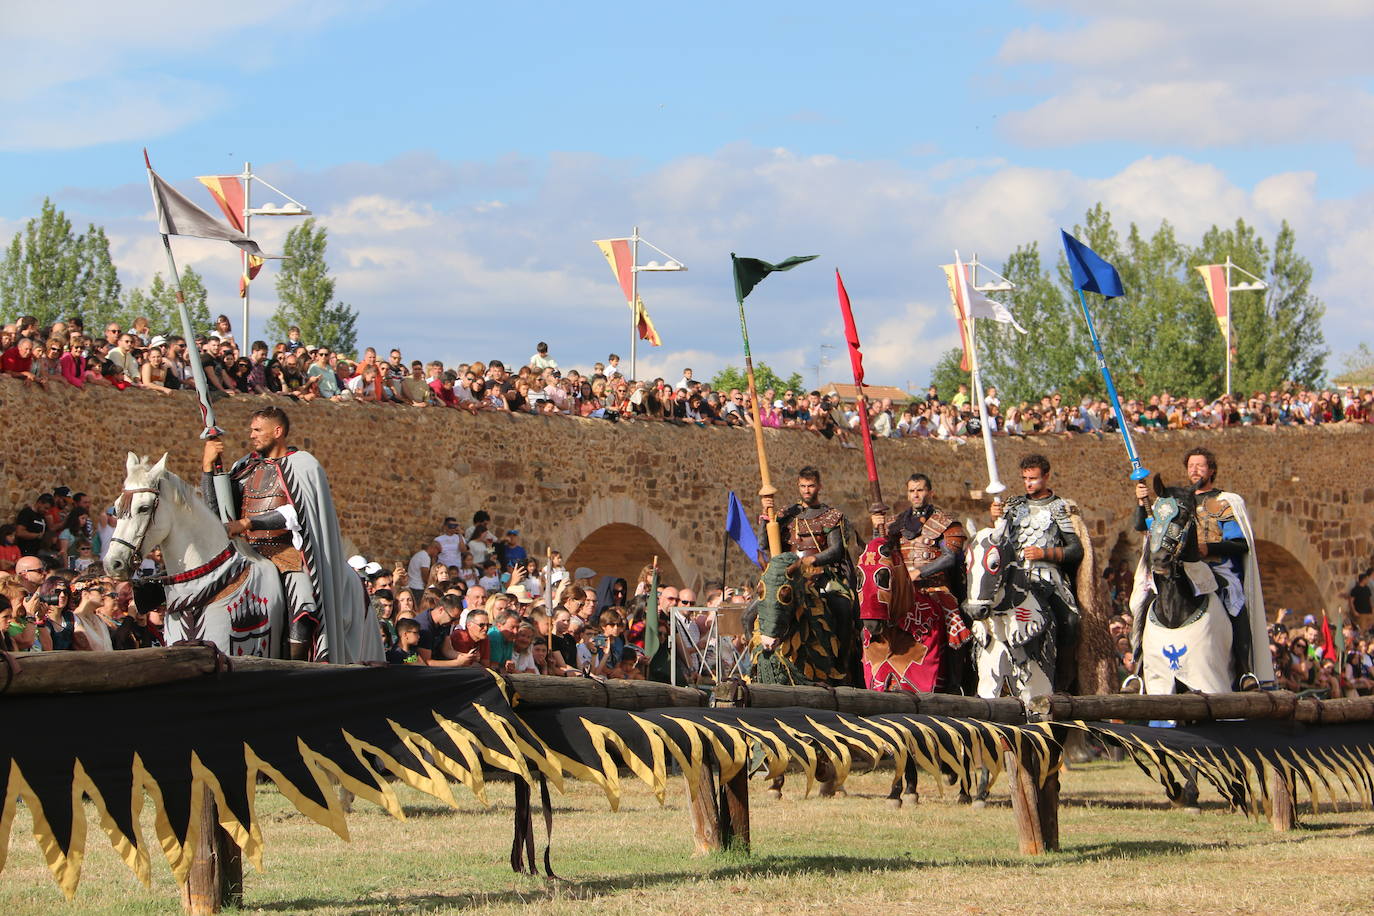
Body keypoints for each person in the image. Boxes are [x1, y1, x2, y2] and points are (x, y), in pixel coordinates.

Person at [202, 406, 382, 662]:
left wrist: (246, 523)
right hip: (249, 551)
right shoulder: (245, 466)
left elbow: (298, 512)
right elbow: (217, 510)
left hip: (288, 552)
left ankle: (295, 668)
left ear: (277, 431)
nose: (251, 435)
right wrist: (208, 469)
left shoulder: (303, 465)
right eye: (251, 430)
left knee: (304, 603)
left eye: (257, 430)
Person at [1132, 446, 1272, 688]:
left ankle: (1244, 670)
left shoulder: (1224, 502)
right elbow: (1143, 526)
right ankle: (1137, 668)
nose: (1195, 470)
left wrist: (1209, 548)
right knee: (1144, 600)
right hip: (1177, 567)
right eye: (1191, 466)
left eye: (1200, 466)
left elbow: (1240, 544)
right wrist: (1141, 502)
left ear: (1212, 470)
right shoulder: (1172, 502)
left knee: (1234, 599)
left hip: (1215, 567)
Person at [867, 473, 969, 691]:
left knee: (954, 621)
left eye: (920, 490)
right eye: (912, 490)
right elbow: (880, 550)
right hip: (901, 591)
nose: (916, 494)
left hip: (934, 587)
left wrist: (919, 573)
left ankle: (954, 681)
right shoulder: (895, 524)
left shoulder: (946, 522)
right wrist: (877, 529)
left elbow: (950, 557)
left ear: (930, 492)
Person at [991, 454, 1084, 691]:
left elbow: (1075, 550)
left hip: (1048, 578)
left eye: (1033, 478)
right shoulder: (1013, 506)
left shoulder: (1058, 508)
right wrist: (995, 518)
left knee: (1071, 621)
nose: (1028, 483)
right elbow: (999, 540)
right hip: (1015, 578)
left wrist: (1045, 553)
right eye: (1025, 478)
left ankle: (1064, 678)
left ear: (1046, 476)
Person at [757, 466, 860, 679]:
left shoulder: (831, 516)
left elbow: (837, 550)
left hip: (822, 575)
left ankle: (840, 663)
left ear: (819, 486)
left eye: (811, 485)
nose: (807, 490)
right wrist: (765, 518)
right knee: (754, 609)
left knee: (841, 607)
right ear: (798, 486)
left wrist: (813, 559)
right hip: (789, 577)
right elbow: (763, 543)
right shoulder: (786, 515)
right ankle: (759, 659)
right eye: (803, 486)